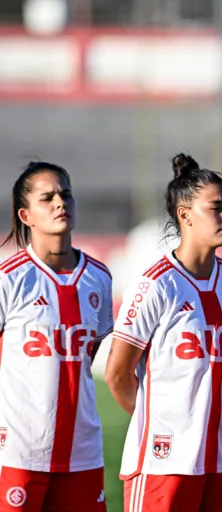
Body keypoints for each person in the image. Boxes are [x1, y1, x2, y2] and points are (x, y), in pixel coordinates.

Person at [105, 154, 222, 512]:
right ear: (185, 215)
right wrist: (160, 425)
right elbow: (117, 373)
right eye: (216, 207)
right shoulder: (155, 285)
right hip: (164, 462)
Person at [0, 162, 112, 511]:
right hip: (19, 452)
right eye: (47, 198)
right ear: (26, 215)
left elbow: (88, 353)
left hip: (83, 451)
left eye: (65, 194)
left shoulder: (99, 278)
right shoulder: (9, 278)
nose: (60, 203)